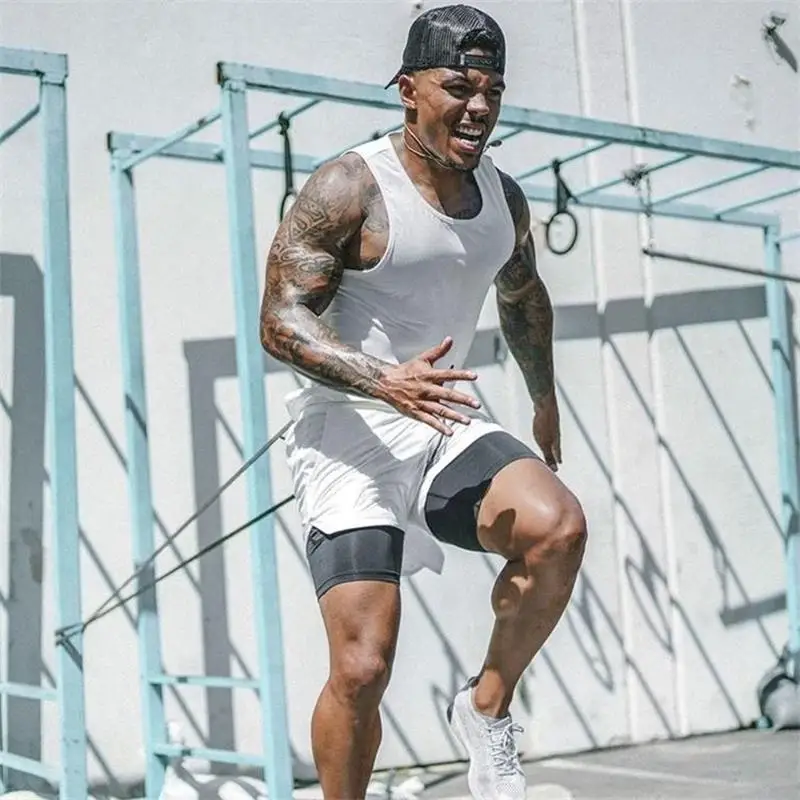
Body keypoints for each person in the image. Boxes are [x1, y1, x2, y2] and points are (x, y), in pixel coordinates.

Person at [259, 5, 588, 798]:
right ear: (408, 90)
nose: (479, 107)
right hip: (348, 437)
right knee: (363, 666)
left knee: (557, 527)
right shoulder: (351, 187)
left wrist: (543, 396)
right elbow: (278, 319)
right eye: (459, 87)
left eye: (493, 91)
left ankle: (485, 708)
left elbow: (522, 294)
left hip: (441, 421)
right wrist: (384, 380)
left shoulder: (503, 199)